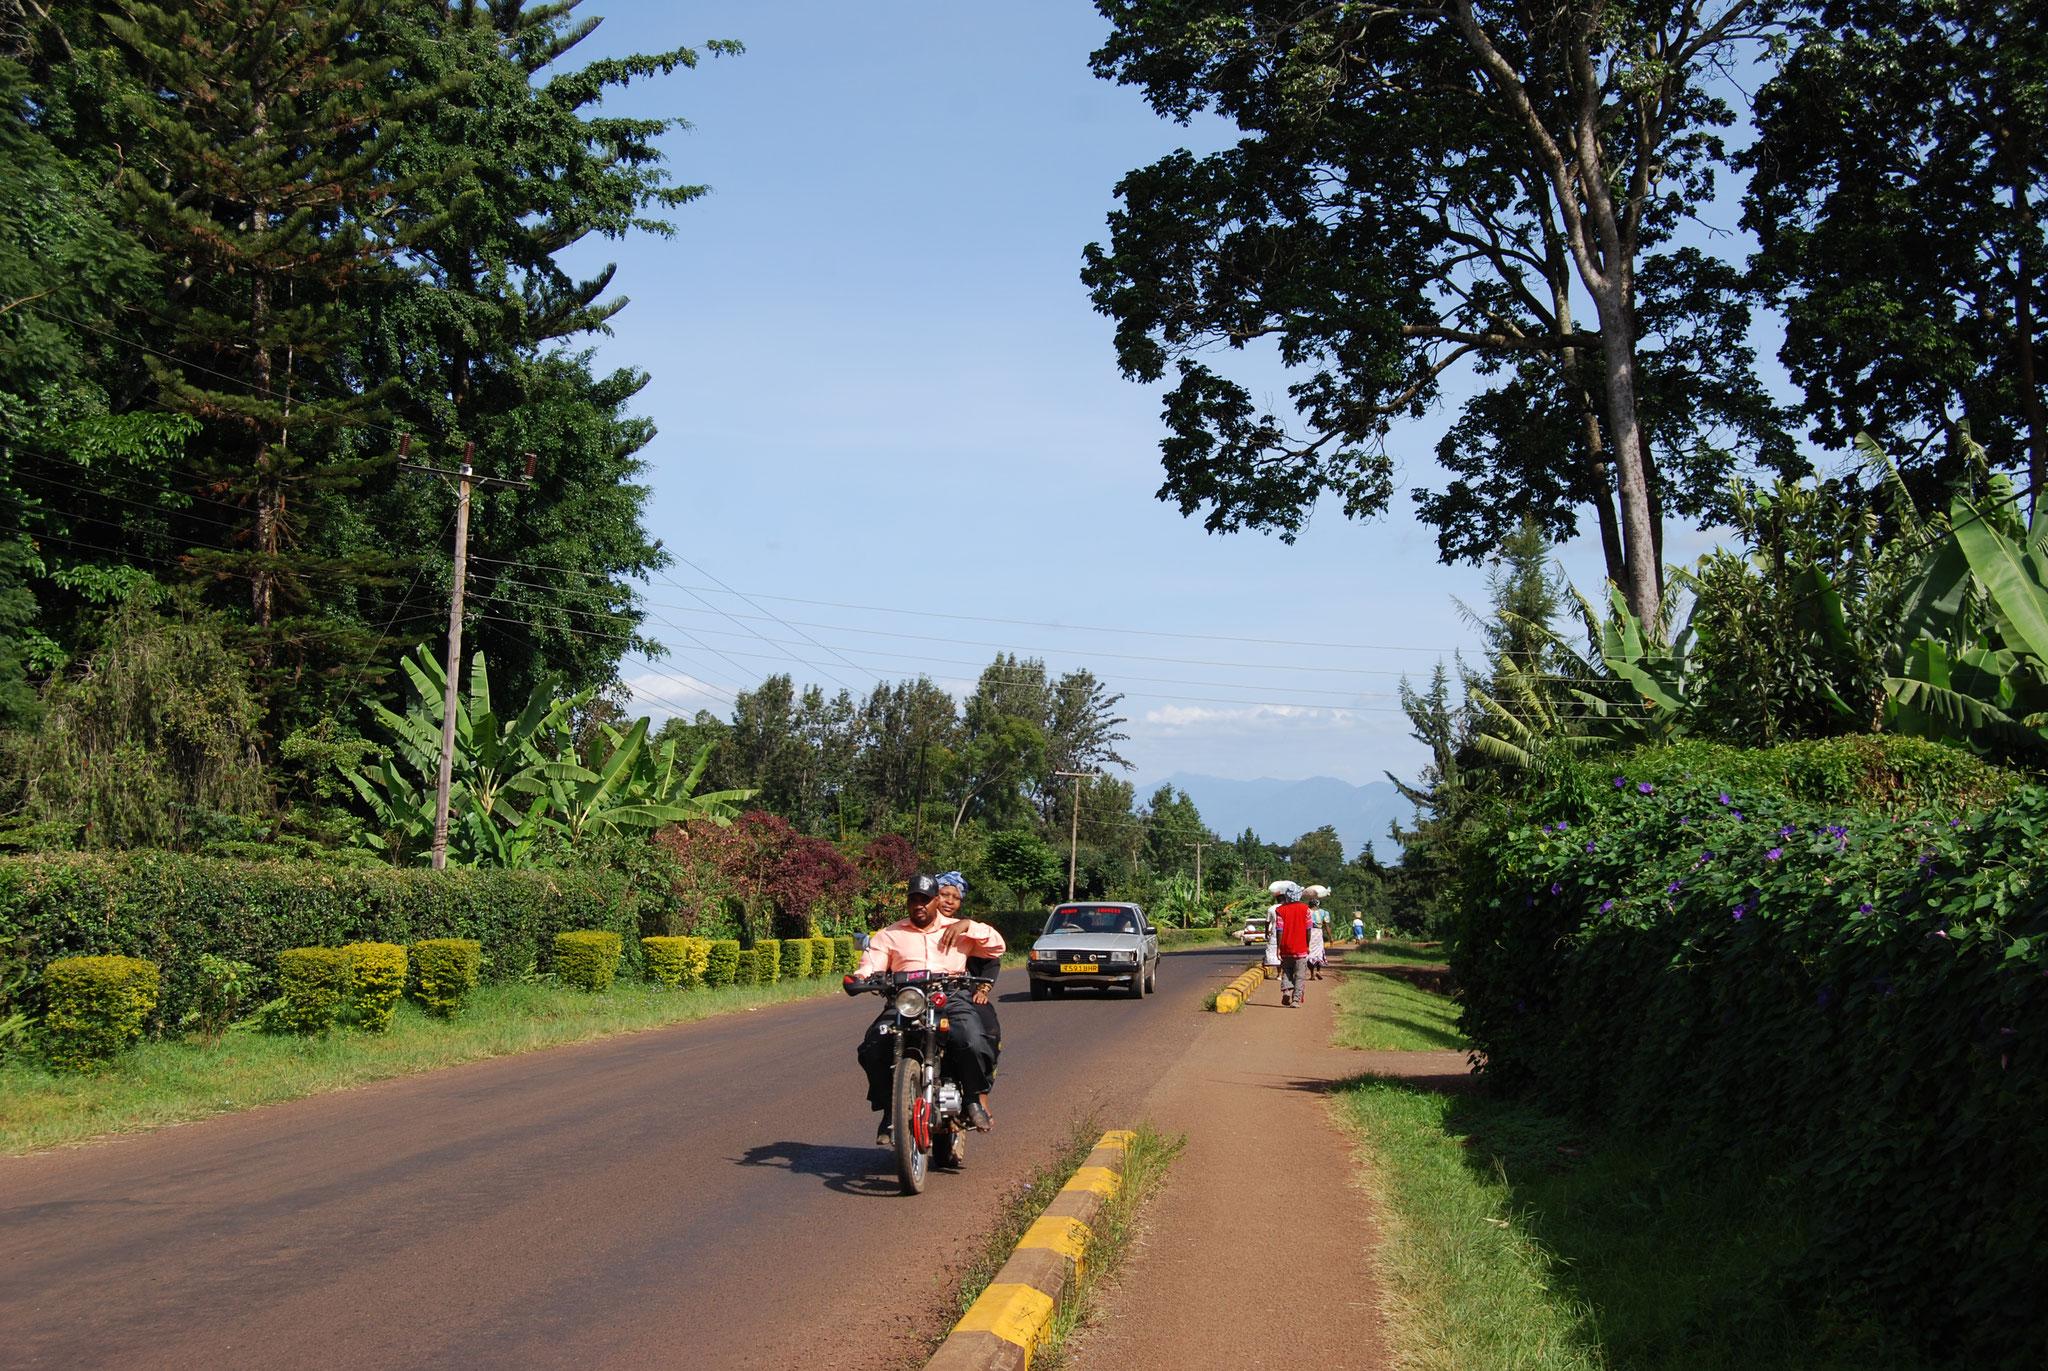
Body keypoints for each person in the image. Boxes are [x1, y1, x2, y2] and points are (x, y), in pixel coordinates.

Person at [852, 873, 1006, 1144]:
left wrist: (969, 926)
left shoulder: (958, 928)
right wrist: (862, 978)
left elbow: (998, 947)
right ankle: (890, 1111)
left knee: (972, 1040)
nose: (919, 905)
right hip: (906, 998)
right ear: (908, 902)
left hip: (950, 997)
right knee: (873, 1047)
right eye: (914, 899)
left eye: (925, 899)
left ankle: (972, 1101)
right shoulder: (890, 934)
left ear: (935, 901)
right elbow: (872, 961)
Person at [933, 870, 1000, 1078]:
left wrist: (982, 989)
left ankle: (980, 1092)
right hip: (920, 994)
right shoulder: (915, 925)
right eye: (944, 894)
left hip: (960, 993)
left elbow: (992, 959)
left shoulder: (970, 931)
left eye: (956, 898)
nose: (949, 902)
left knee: (988, 1032)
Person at [1269, 881, 1313, 1007]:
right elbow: (1308, 929)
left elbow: (1279, 930)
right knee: (1300, 975)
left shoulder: (1280, 910)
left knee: (1287, 970)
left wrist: (1278, 947)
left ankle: (1287, 990)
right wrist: (1307, 945)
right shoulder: (1305, 909)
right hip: (1301, 947)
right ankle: (1296, 1000)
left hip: (1286, 947)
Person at [1304, 885, 1331, 979]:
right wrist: (1331, 937)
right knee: (1319, 952)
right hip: (1319, 934)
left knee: (1309, 953)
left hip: (1309, 933)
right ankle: (1318, 970)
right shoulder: (1324, 913)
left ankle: (1312, 974)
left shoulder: (1306, 912)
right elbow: (1327, 926)